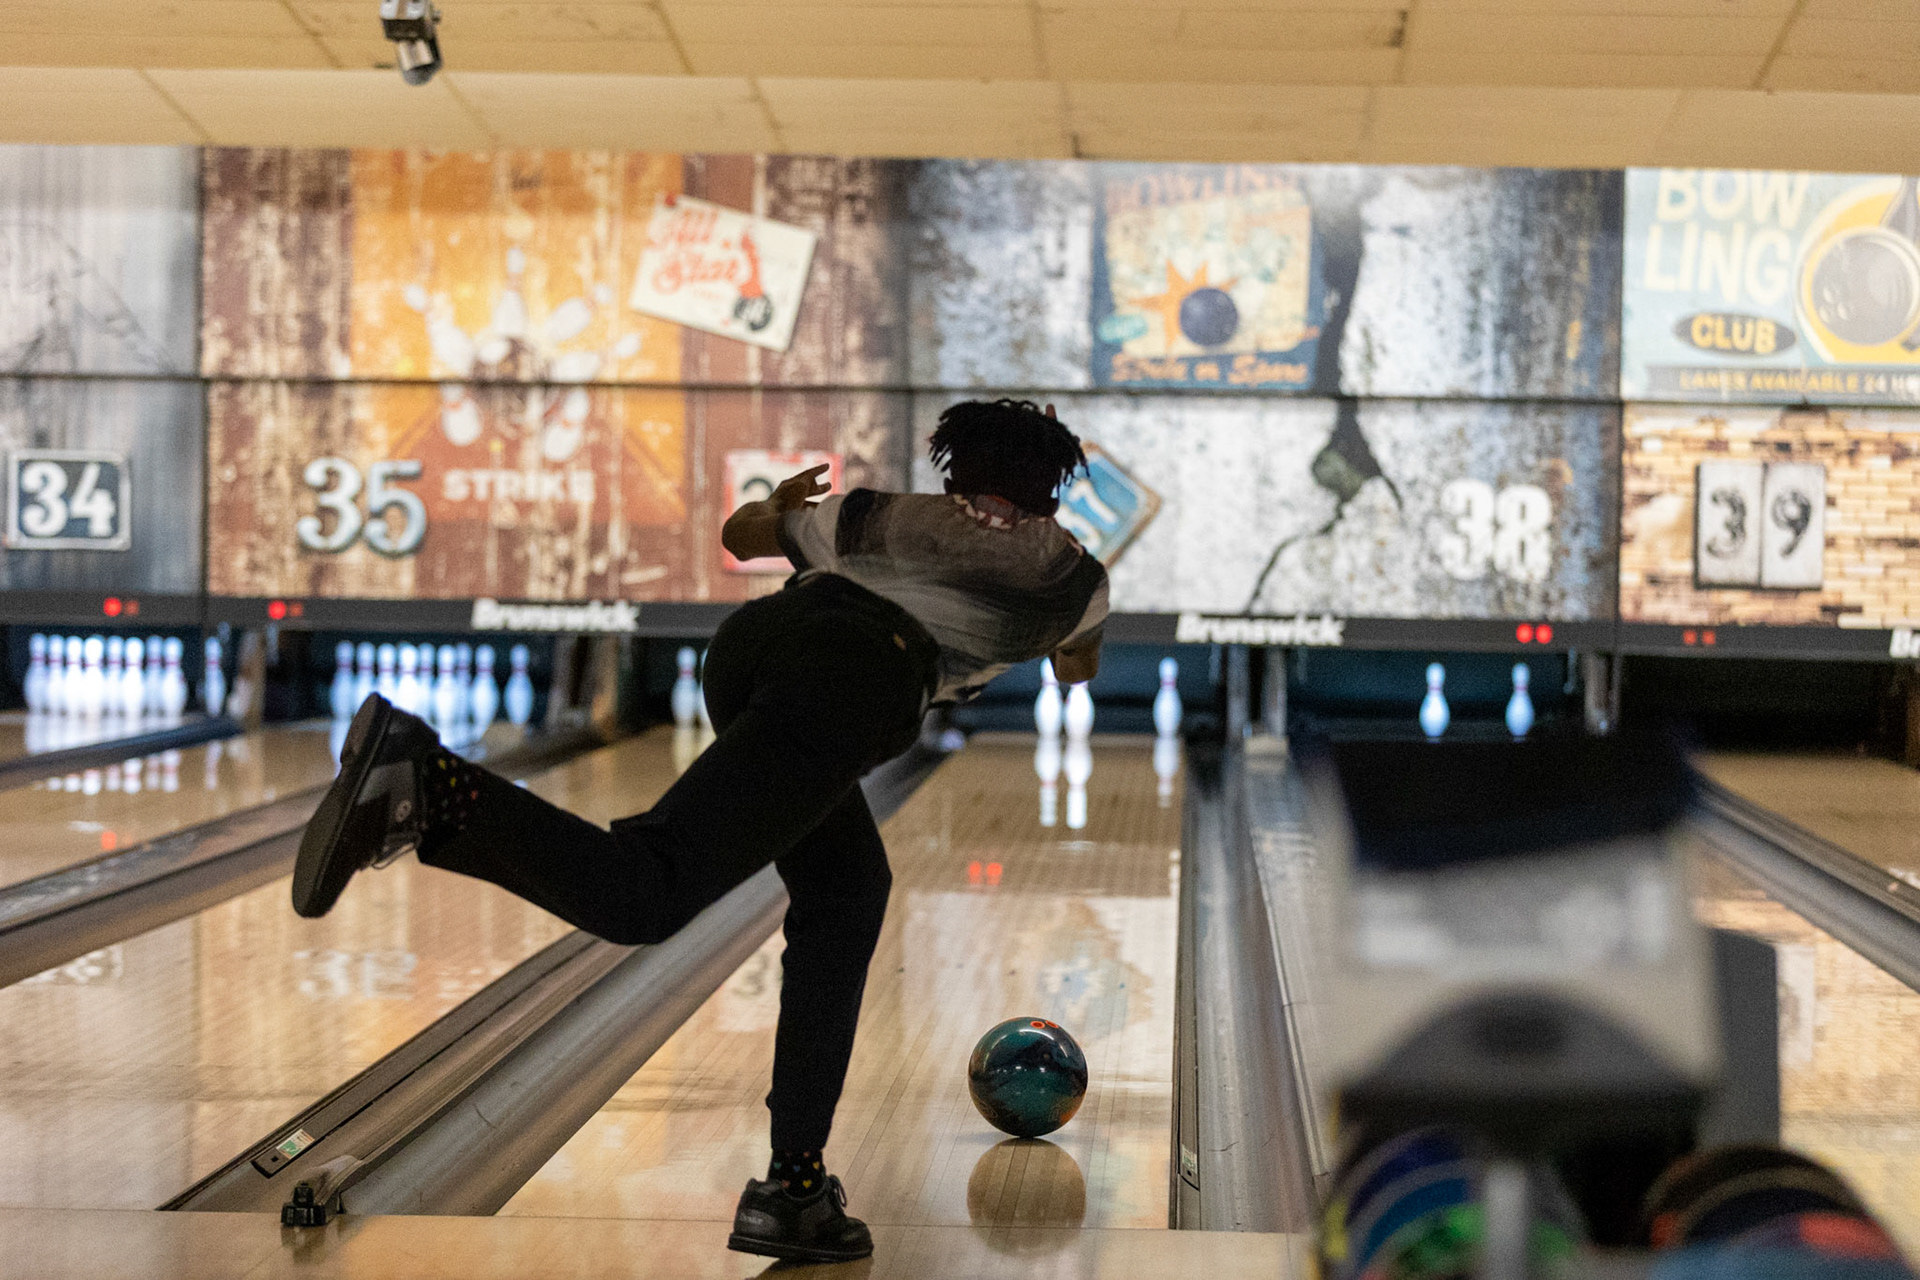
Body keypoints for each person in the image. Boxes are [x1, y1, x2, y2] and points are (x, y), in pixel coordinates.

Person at [290, 398, 1109, 1264]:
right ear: (1051, 494)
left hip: (750, 651)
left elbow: (742, 532)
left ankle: (796, 1190)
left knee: (846, 889)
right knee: (644, 893)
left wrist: (786, 508)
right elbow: (1076, 664)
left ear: (955, 472)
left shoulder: (876, 516)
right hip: (858, 682)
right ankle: (430, 782)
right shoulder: (1072, 575)